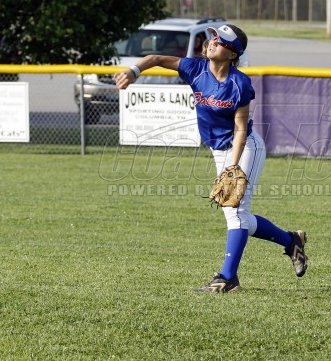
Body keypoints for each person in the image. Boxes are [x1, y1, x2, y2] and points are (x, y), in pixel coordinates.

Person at [114, 24, 308, 292]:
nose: (214, 41)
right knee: (238, 215)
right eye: (214, 36)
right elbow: (156, 59)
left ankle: (228, 278)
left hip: (244, 146)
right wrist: (132, 71)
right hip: (218, 149)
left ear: (232, 54)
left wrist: (233, 166)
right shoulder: (196, 69)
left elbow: (240, 129)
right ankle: (291, 241)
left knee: (235, 212)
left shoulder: (239, 83)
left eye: (222, 40)